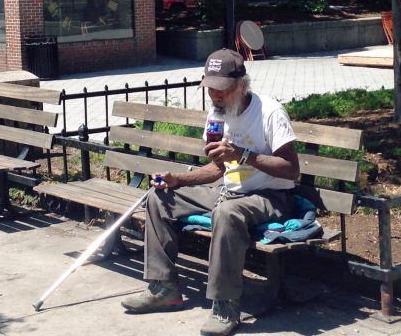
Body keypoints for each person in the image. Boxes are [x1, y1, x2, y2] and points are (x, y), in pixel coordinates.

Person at [120, 49, 300, 336]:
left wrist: (243, 155)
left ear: (241, 85)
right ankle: (164, 288)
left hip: (268, 196)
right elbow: (218, 169)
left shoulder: (270, 112)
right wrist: (177, 179)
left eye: (222, 90)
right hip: (227, 189)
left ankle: (226, 305)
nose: (215, 96)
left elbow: (292, 169)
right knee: (159, 197)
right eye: (210, 89)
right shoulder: (217, 115)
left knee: (226, 213)